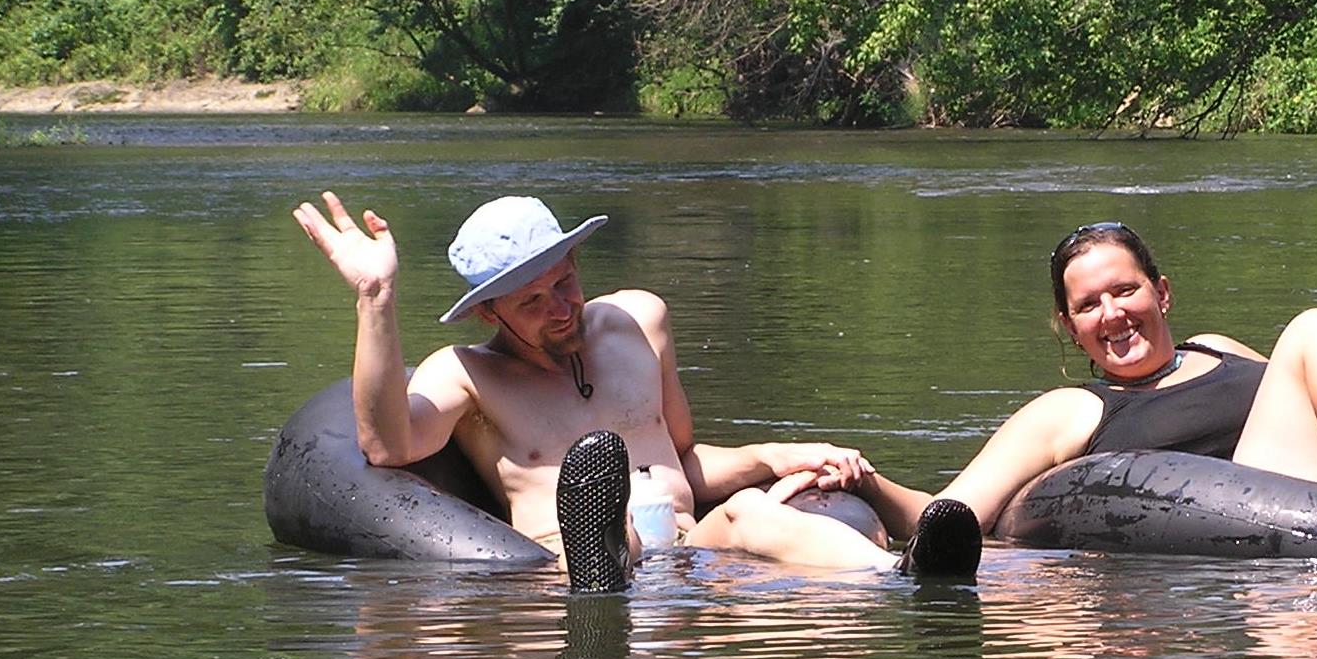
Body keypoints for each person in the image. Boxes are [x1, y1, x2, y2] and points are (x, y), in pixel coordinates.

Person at [292, 192, 979, 588]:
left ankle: (900, 577)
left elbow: (680, 460)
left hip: (690, 545)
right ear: (489, 311)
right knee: (605, 521)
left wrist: (778, 456)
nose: (560, 308)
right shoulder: (465, 373)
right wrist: (376, 297)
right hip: (578, 554)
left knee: (747, 511)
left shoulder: (639, 320)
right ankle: (602, 576)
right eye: (532, 302)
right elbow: (385, 446)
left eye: (564, 282)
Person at [839, 221, 1317, 550]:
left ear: (1162, 292)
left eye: (1124, 291)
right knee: (1311, 330)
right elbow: (952, 512)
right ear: (1068, 326)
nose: (1111, 314)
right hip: (1297, 501)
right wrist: (867, 482)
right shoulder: (1070, 408)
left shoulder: (1216, 348)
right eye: (1088, 305)